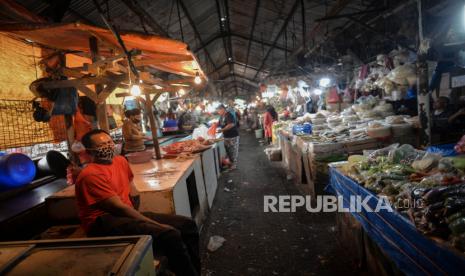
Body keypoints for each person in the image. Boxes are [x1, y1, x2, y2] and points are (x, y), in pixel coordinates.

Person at [75, 129, 200, 276]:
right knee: (169, 234)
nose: (109, 146)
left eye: (110, 142)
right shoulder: (91, 174)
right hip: (102, 222)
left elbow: (132, 190)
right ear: (90, 151)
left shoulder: (120, 161)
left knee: (187, 224)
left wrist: (140, 213)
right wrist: (155, 224)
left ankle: (195, 271)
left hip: (123, 214)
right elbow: (118, 208)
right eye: (102, 144)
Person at [217, 104, 240, 170]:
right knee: (228, 151)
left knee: (233, 151)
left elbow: (231, 124)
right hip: (226, 136)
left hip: (233, 136)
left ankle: (234, 165)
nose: (218, 112)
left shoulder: (228, 115)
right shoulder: (221, 116)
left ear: (223, 109)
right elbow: (219, 124)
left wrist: (222, 130)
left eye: (219, 110)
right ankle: (230, 163)